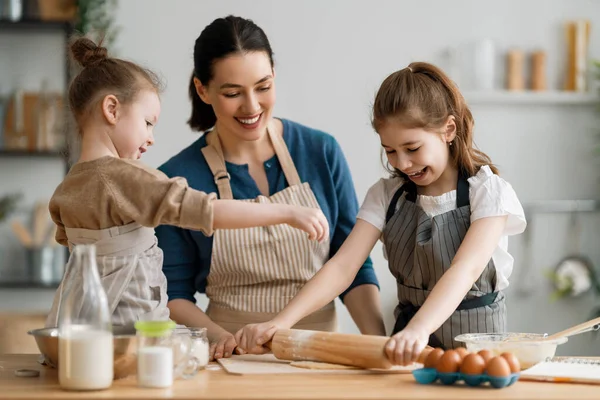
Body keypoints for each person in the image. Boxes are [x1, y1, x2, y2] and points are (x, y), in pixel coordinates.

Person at [235, 62, 527, 366]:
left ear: (448, 130)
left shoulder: (488, 192)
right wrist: (281, 321)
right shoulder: (387, 195)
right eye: (390, 151)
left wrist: (419, 329)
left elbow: (464, 269)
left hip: (476, 349)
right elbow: (343, 267)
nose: (402, 163)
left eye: (412, 148)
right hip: (407, 346)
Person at [45, 37, 329, 328]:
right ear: (112, 109)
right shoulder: (127, 177)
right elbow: (209, 212)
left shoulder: (66, 190)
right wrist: (288, 212)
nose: (151, 137)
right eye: (147, 122)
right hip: (130, 334)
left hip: (78, 328)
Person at [155, 15, 385, 360]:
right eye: (233, 93)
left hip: (320, 354)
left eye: (263, 87)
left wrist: (380, 346)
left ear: (274, 75)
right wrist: (224, 339)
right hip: (229, 355)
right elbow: (173, 293)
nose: (252, 107)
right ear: (203, 90)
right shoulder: (177, 179)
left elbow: (353, 265)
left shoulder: (320, 151)